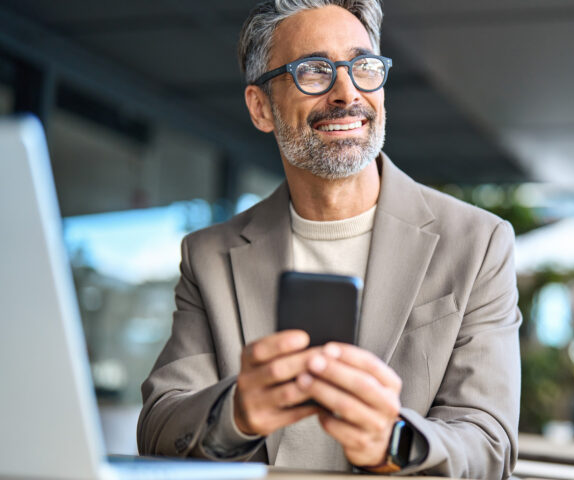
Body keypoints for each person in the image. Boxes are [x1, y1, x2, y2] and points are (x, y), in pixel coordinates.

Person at [136, 1, 521, 477]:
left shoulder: (478, 243)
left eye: (364, 67)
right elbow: (159, 427)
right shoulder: (208, 257)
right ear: (261, 107)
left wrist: (394, 442)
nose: (347, 92)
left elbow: (489, 445)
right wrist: (236, 412)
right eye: (314, 70)